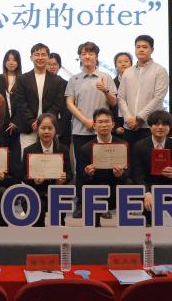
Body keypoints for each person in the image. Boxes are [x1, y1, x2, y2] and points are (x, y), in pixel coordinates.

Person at [65, 41, 118, 217]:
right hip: (80, 130)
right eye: (84, 53)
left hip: (102, 133)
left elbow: (113, 102)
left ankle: (102, 205)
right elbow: (69, 103)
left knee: (102, 168)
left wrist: (106, 91)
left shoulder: (106, 77)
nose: (87, 56)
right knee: (82, 169)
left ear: (96, 57)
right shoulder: (74, 79)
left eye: (91, 53)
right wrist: (85, 121)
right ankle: (81, 204)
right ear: (80, 57)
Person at [131, 110, 172, 228]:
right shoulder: (139, 146)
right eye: (156, 124)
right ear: (150, 126)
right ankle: (148, 216)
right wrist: (146, 192)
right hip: (148, 184)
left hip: (169, 182)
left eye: (164, 124)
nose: (160, 127)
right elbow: (138, 174)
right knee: (150, 224)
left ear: (169, 127)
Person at [76, 108, 129, 223]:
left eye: (107, 121)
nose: (104, 125)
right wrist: (88, 173)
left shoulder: (123, 145)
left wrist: (121, 174)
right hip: (95, 187)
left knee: (128, 184)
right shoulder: (85, 148)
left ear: (113, 124)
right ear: (94, 126)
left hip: (115, 186)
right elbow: (80, 177)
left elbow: (129, 172)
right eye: (100, 122)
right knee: (87, 188)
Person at [117, 35, 168, 152]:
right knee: (129, 160)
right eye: (138, 47)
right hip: (129, 126)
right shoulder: (128, 72)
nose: (141, 49)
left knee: (148, 160)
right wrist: (128, 118)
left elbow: (158, 98)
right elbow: (121, 97)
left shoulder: (160, 70)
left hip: (149, 126)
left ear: (152, 49)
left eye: (145, 47)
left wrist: (139, 118)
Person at [21, 113, 73, 227]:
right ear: (37, 129)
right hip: (36, 191)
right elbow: (23, 175)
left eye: (50, 128)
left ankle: (60, 225)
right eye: (43, 128)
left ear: (55, 130)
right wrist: (34, 180)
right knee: (36, 209)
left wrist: (63, 179)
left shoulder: (63, 149)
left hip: (56, 190)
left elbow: (70, 173)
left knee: (61, 200)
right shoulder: (29, 150)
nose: (46, 131)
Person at [13, 43, 65, 155]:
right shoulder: (22, 79)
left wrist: (43, 122)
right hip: (29, 129)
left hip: (49, 128)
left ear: (48, 57)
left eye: (43, 54)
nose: (40, 57)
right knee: (28, 161)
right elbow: (21, 104)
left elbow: (57, 104)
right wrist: (33, 122)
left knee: (48, 161)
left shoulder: (57, 80)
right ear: (31, 58)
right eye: (37, 54)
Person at [0, 49, 23, 178]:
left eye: (14, 60)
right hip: (1, 125)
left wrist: (16, 122)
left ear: (18, 62)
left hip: (18, 126)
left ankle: (15, 183)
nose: (11, 62)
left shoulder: (23, 79)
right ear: (4, 62)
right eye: (8, 59)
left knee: (15, 160)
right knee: (1, 159)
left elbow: (24, 103)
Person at [47, 52, 72, 148]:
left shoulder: (66, 84)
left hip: (63, 129)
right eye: (49, 64)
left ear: (59, 66)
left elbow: (67, 110)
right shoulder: (40, 83)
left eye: (55, 64)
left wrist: (59, 130)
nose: (52, 67)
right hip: (44, 127)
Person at [112, 51, 133, 135]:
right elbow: (110, 106)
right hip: (118, 121)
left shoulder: (138, 81)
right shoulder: (112, 83)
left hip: (134, 119)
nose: (123, 64)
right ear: (115, 65)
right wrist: (115, 127)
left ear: (131, 64)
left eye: (126, 61)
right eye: (119, 62)